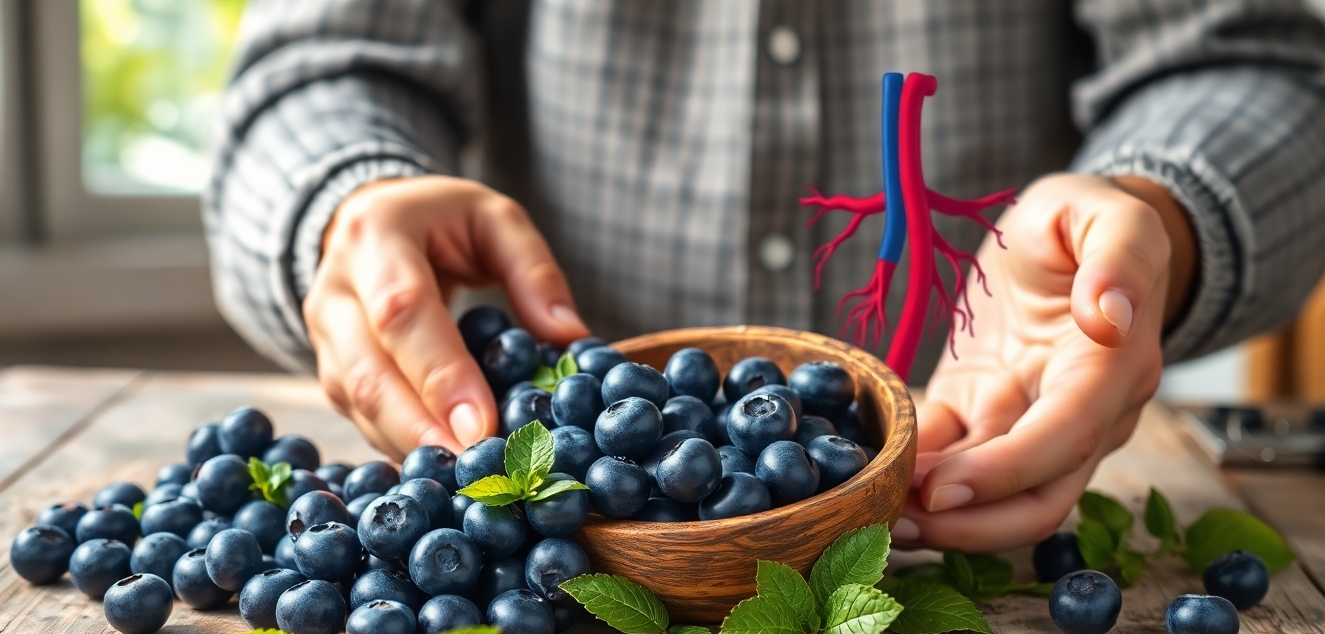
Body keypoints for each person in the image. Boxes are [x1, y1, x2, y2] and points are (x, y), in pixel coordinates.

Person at [204, 1, 1325, 553]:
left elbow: (1250, 67)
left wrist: (1155, 216)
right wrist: (345, 202)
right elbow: (321, 61)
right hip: (550, 497)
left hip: (982, 479)